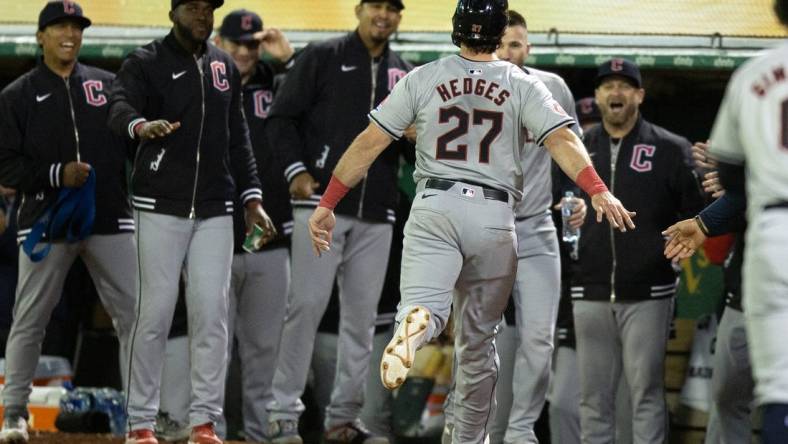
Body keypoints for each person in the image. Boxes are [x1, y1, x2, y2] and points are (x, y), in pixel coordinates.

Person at [307, 0, 636, 442]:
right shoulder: (521, 82)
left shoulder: (422, 76)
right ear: (499, 33)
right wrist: (597, 188)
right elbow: (562, 139)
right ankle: (467, 440)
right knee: (479, 344)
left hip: (434, 206)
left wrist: (328, 202)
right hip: (494, 213)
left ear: (456, 29)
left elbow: (370, 143)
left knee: (424, 303)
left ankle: (419, 318)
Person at [106, 0, 273, 443]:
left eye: (209, 7)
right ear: (174, 11)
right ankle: (141, 422)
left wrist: (252, 197)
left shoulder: (223, 66)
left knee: (212, 314)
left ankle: (204, 421)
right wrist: (139, 127)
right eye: (194, 7)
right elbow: (118, 106)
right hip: (158, 202)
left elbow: (238, 136)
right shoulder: (145, 61)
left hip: (216, 206)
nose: (203, 14)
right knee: (155, 313)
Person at [263, 1, 412, 442]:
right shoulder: (323, 55)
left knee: (362, 320)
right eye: (376, 6)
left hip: (377, 209)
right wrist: (297, 172)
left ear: (399, 17)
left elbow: (408, 146)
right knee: (305, 308)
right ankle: (283, 413)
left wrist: (414, 138)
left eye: (392, 8)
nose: (383, 15)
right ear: (359, 10)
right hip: (322, 204)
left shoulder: (404, 71)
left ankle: (343, 419)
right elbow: (281, 118)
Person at [0, 2, 137, 441]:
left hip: (109, 214)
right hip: (47, 217)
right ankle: (14, 413)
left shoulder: (108, 84)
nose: (70, 34)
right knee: (30, 318)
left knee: (137, 314)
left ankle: (143, 414)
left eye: (77, 27)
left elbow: (131, 144)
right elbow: (5, 166)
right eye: (60, 26)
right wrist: (58, 173)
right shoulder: (17, 95)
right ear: (41, 36)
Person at [571, 58, 704, 444]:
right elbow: (554, 202)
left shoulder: (669, 147)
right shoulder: (575, 148)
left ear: (640, 95)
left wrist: (682, 244)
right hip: (589, 290)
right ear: (596, 96)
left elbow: (694, 212)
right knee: (592, 399)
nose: (616, 92)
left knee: (645, 395)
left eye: (625, 86)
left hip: (650, 291)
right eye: (608, 86)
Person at [476, 10, 584, 444]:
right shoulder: (469, 90)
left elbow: (570, 149)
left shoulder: (553, 86)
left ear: (529, 47)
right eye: (503, 45)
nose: (511, 53)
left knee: (539, 343)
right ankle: (480, 432)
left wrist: (576, 196)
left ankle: (521, 432)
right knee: (479, 343)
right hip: (484, 226)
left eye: (518, 44)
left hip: (537, 227)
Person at [213, 9, 295, 442]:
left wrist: (286, 61)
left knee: (266, 350)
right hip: (213, 235)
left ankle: (260, 435)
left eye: (251, 44)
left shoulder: (275, 81)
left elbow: (318, 107)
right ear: (218, 41)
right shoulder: (201, 79)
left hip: (270, 235)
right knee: (214, 348)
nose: (244, 51)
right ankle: (213, 431)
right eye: (236, 43)